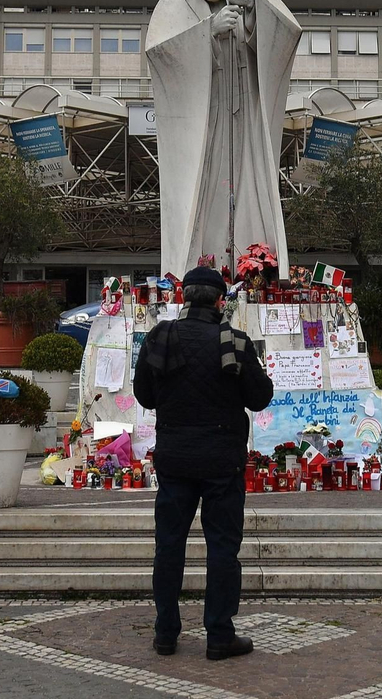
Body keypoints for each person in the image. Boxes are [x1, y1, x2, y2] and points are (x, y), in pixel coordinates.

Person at [133, 265, 272, 661]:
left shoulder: (160, 337)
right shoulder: (235, 342)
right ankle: (219, 635)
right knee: (223, 548)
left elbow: (144, 395)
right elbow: (260, 397)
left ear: (184, 297)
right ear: (219, 301)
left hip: (175, 456)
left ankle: (165, 633)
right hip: (222, 460)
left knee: (169, 546)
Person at [144, 0, 301, 277]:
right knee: (206, 189)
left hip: (244, 115)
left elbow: (288, 33)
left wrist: (253, 7)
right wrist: (208, 32)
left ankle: (252, 264)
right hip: (203, 118)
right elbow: (160, 55)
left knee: (249, 181)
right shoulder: (172, 6)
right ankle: (202, 267)